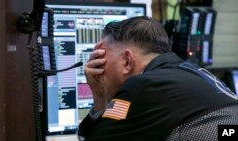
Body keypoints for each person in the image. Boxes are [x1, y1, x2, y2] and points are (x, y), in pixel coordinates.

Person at [77, 16, 238, 141]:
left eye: (101, 59)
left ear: (127, 61)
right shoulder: (195, 72)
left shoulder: (143, 86)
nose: (99, 70)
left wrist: (99, 95)